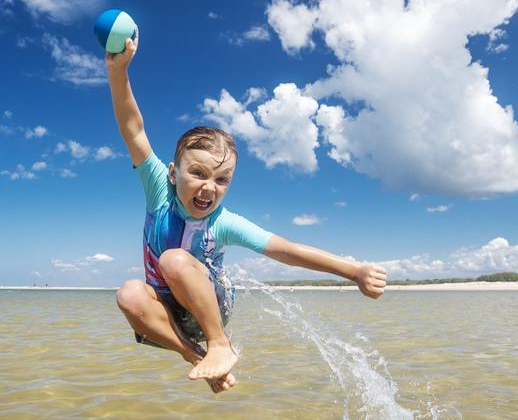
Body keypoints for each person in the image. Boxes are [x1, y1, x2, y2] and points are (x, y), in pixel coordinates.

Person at [105, 32, 388, 394]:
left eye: (222, 180)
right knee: (128, 294)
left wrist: (356, 271)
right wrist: (118, 72)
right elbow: (134, 128)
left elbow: (288, 250)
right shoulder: (159, 189)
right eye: (198, 173)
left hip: (209, 309)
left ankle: (219, 344)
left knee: (174, 260)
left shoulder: (223, 223)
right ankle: (198, 357)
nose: (210, 187)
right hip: (168, 316)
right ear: (173, 174)